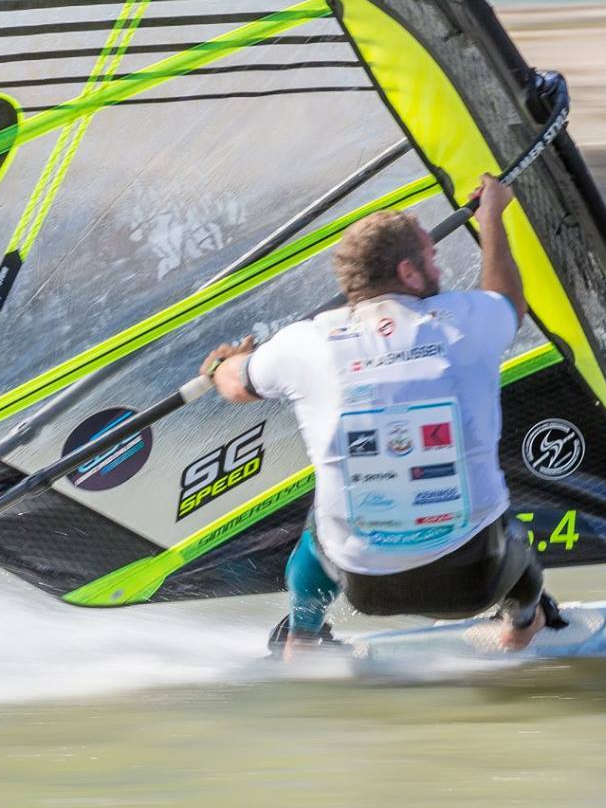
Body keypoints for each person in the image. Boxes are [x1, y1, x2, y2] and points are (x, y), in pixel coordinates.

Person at [201, 173, 557, 657]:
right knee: (504, 521)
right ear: (409, 272)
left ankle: (302, 638)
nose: (439, 273)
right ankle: (522, 622)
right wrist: (493, 216)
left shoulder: (305, 343)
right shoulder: (463, 321)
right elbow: (508, 302)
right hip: (477, 579)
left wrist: (227, 362)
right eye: (433, 261)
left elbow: (234, 386)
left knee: (323, 518)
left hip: (366, 587)